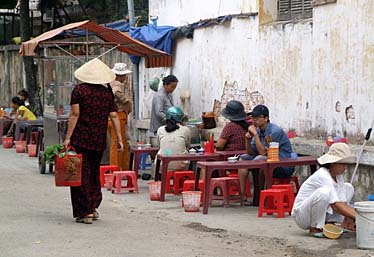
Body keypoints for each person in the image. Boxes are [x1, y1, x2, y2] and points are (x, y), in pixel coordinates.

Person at [63, 58, 124, 224]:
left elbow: (75, 114)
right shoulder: (106, 93)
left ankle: (85, 212)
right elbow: (113, 116)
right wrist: (119, 138)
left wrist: (68, 137)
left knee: (80, 174)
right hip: (98, 140)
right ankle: (93, 206)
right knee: (94, 173)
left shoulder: (79, 90)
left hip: (80, 139)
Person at [292, 143, 356, 237]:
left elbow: (342, 202)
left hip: (322, 212)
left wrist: (349, 218)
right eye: (342, 164)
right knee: (324, 193)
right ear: (332, 163)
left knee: (349, 187)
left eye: (345, 164)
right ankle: (315, 228)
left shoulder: (338, 177)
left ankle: (330, 223)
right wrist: (360, 217)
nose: (345, 167)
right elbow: (336, 205)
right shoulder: (322, 175)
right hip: (302, 216)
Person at [238, 105, 293, 206]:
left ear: (266, 118)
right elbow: (251, 152)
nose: (254, 120)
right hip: (266, 160)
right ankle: (241, 196)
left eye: (257, 118)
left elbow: (263, 152)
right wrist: (247, 140)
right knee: (243, 158)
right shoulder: (258, 130)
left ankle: (261, 196)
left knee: (260, 159)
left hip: (282, 163)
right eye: (253, 118)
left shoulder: (275, 131)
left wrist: (255, 135)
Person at [108, 63, 132, 170]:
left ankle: (121, 168)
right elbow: (116, 93)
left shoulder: (108, 82)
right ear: (120, 75)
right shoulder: (116, 83)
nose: (125, 77)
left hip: (111, 117)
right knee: (118, 144)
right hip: (117, 116)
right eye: (124, 75)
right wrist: (127, 101)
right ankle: (116, 169)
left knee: (117, 143)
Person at [155, 106, 191, 173]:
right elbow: (188, 146)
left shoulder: (160, 130)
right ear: (181, 119)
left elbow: (159, 146)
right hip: (181, 165)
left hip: (162, 165)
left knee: (165, 152)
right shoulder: (185, 130)